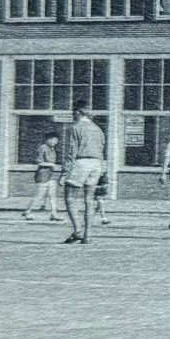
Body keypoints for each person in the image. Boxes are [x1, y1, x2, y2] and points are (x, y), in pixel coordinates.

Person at [60, 102, 107, 244]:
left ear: (78, 112)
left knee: (69, 196)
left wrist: (64, 172)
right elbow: (102, 148)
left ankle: (78, 230)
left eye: (73, 112)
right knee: (89, 199)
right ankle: (88, 235)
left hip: (82, 162)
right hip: (97, 164)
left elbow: (71, 151)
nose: (72, 115)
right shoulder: (98, 129)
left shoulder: (75, 128)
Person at [22, 131, 62, 221]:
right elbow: (39, 162)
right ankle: (28, 211)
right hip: (42, 174)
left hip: (51, 174)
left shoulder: (53, 149)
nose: (55, 142)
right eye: (53, 139)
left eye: (56, 140)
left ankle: (54, 214)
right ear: (48, 139)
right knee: (39, 195)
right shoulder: (42, 148)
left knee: (52, 195)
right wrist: (51, 165)